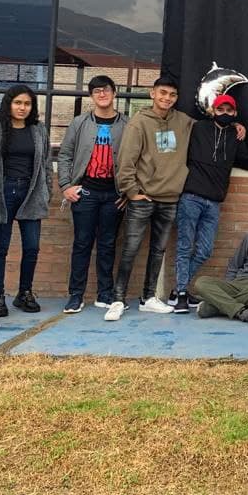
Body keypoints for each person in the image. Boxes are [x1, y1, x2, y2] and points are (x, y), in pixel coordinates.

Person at [170, 93, 248, 313]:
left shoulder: (235, 136)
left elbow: (247, 161)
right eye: (220, 110)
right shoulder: (197, 128)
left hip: (214, 202)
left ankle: (177, 290)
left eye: (229, 110)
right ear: (213, 110)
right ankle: (181, 294)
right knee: (185, 247)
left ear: (235, 113)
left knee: (204, 250)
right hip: (191, 197)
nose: (224, 113)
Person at [105, 77, 195, 321]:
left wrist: (235, 125)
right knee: (130, 249)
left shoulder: (183, 121)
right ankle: (118, 299)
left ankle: (148, 298)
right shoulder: (139, 122)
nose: (167, 98)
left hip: (170, 198)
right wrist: (131, 191)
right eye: (162, 93)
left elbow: (211, 127)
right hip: (143, 198)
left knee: (158, 250)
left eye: (172, 95)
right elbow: (125, 160)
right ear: (152, 93)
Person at [57, 75, 129, 313]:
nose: (102, 94)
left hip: (113, 195)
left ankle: (104, 293)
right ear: (91, 96)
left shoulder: (126, 124)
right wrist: (66, 185)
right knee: (82, 244)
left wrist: (128, 191)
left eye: (106, 90)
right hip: (85, 192)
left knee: (108, 244)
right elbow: (65, 155)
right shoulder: (80, 123)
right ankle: (76, 295)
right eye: (97, 91)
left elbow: (136, 159)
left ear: (114, 93)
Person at [0, 85, 53, 317]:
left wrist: (47, 192)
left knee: (32, 247)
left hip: (31, 191)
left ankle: (24, 293)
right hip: (2, 191)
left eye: (27, 104)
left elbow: (46, 163)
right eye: (18, 103)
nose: (22, 108)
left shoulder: (38, 130)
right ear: (9, 104)